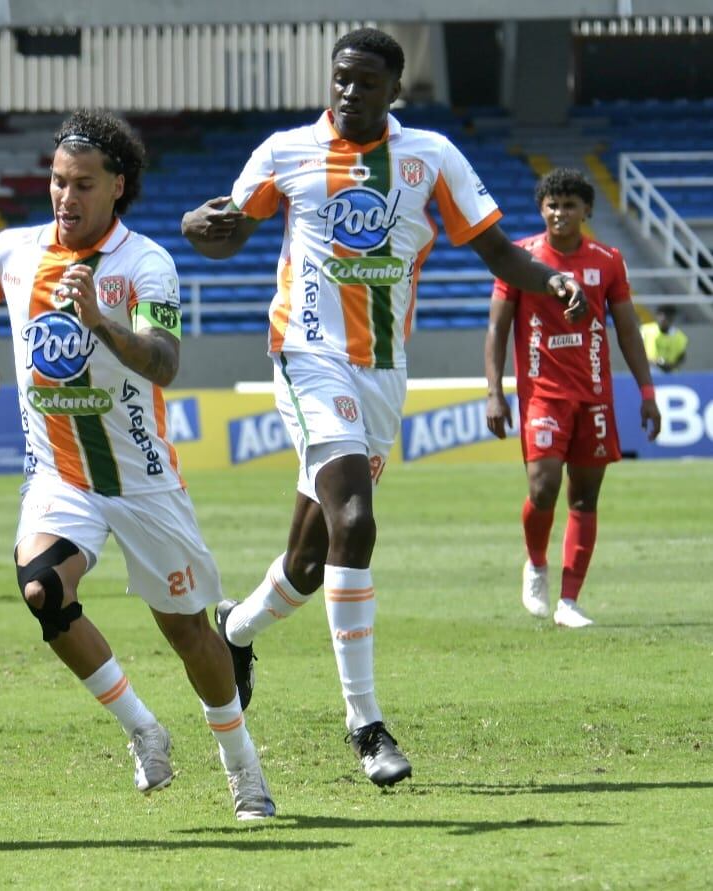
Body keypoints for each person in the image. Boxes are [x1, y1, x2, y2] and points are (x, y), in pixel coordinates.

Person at [180, 27, 587, 788]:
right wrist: (191, 229)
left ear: (394, 90)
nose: (348, 91)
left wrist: (552, 281)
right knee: (356, 522)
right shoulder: (285, 152)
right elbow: (223, 230)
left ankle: (232, 630)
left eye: (366, 82)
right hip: (305, 358)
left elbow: (496, 251)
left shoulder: (429, 156)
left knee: (308, 560)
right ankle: (364, 723)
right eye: (340, 78)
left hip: (381, 371)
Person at [0, 108, 275, 820]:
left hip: (142, 481)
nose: (65, 197)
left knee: (189, 631)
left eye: (83, 184)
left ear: (117, 186)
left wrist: (99, 320)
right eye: (58, 181)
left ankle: (241, 765)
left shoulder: (145, 263)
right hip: (59, 476)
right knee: (41, 589)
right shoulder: (12, 252)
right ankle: (143, 728)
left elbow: (163, 362)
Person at [485, 167, 661, 627]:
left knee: (584, 498)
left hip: (595, 396)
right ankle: (537, 563)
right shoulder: (522, 260)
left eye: (569, 205)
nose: (559, 213)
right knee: (543, 489)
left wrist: (646, 391)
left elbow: (627, 330)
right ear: (542, 209)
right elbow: (497, 329)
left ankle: (569, 602)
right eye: (552, 205)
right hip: (543, 395)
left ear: (587, 210)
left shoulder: (607, 260)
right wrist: (494, 393)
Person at [640, 304, 688, 373]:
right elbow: (637, 350)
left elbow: (682, 356)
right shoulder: (646, 330)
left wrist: (672, 366)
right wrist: (653, 362)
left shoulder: (680, 337)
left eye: (667, 316)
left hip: (670, 373)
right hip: (649, 371)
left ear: (672, 318)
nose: (663, 319)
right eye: (661, 315)